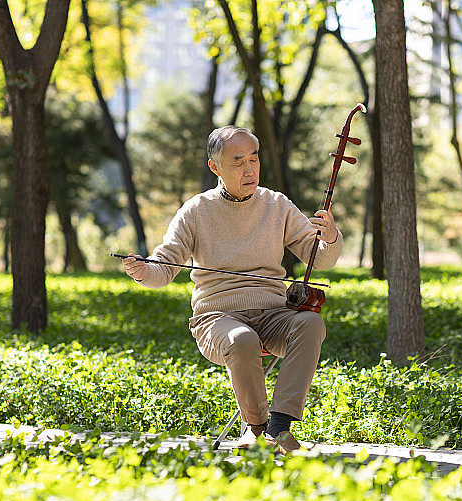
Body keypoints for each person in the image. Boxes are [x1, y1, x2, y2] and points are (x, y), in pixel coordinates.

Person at [121, 126, 342, 454]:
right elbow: (164, 267)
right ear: (215, 167)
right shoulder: (196, 210)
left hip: (272, 313)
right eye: (237, 162)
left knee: (310, 323)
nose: (250, 169)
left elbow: (320, 259)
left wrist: (332, 236)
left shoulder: (277, 205)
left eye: (254, 158)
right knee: (242, 339)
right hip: (217, 318)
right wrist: (142, 271)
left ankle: (280, 429)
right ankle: (255, 427)